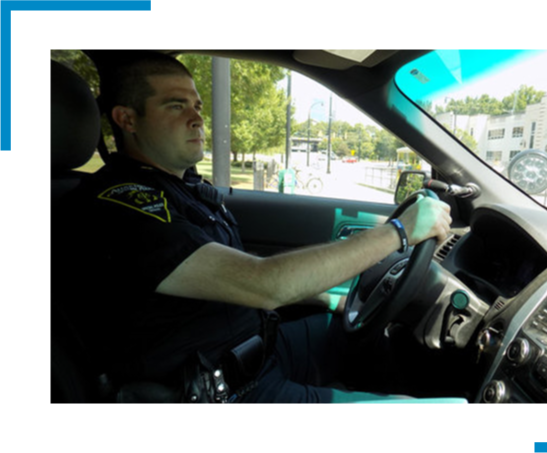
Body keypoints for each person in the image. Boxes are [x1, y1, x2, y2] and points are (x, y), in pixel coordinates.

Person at [55, 52, 452, 403]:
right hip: (221, 390)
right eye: (176, 106)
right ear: (127, 119)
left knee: (367, 334)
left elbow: (236, 271)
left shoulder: (181, 189)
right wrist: (398, 232)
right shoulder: (122, 207)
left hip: (259, 350)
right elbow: (262, 283)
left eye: (196, 104)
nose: (197, 117)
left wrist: (327, 297)